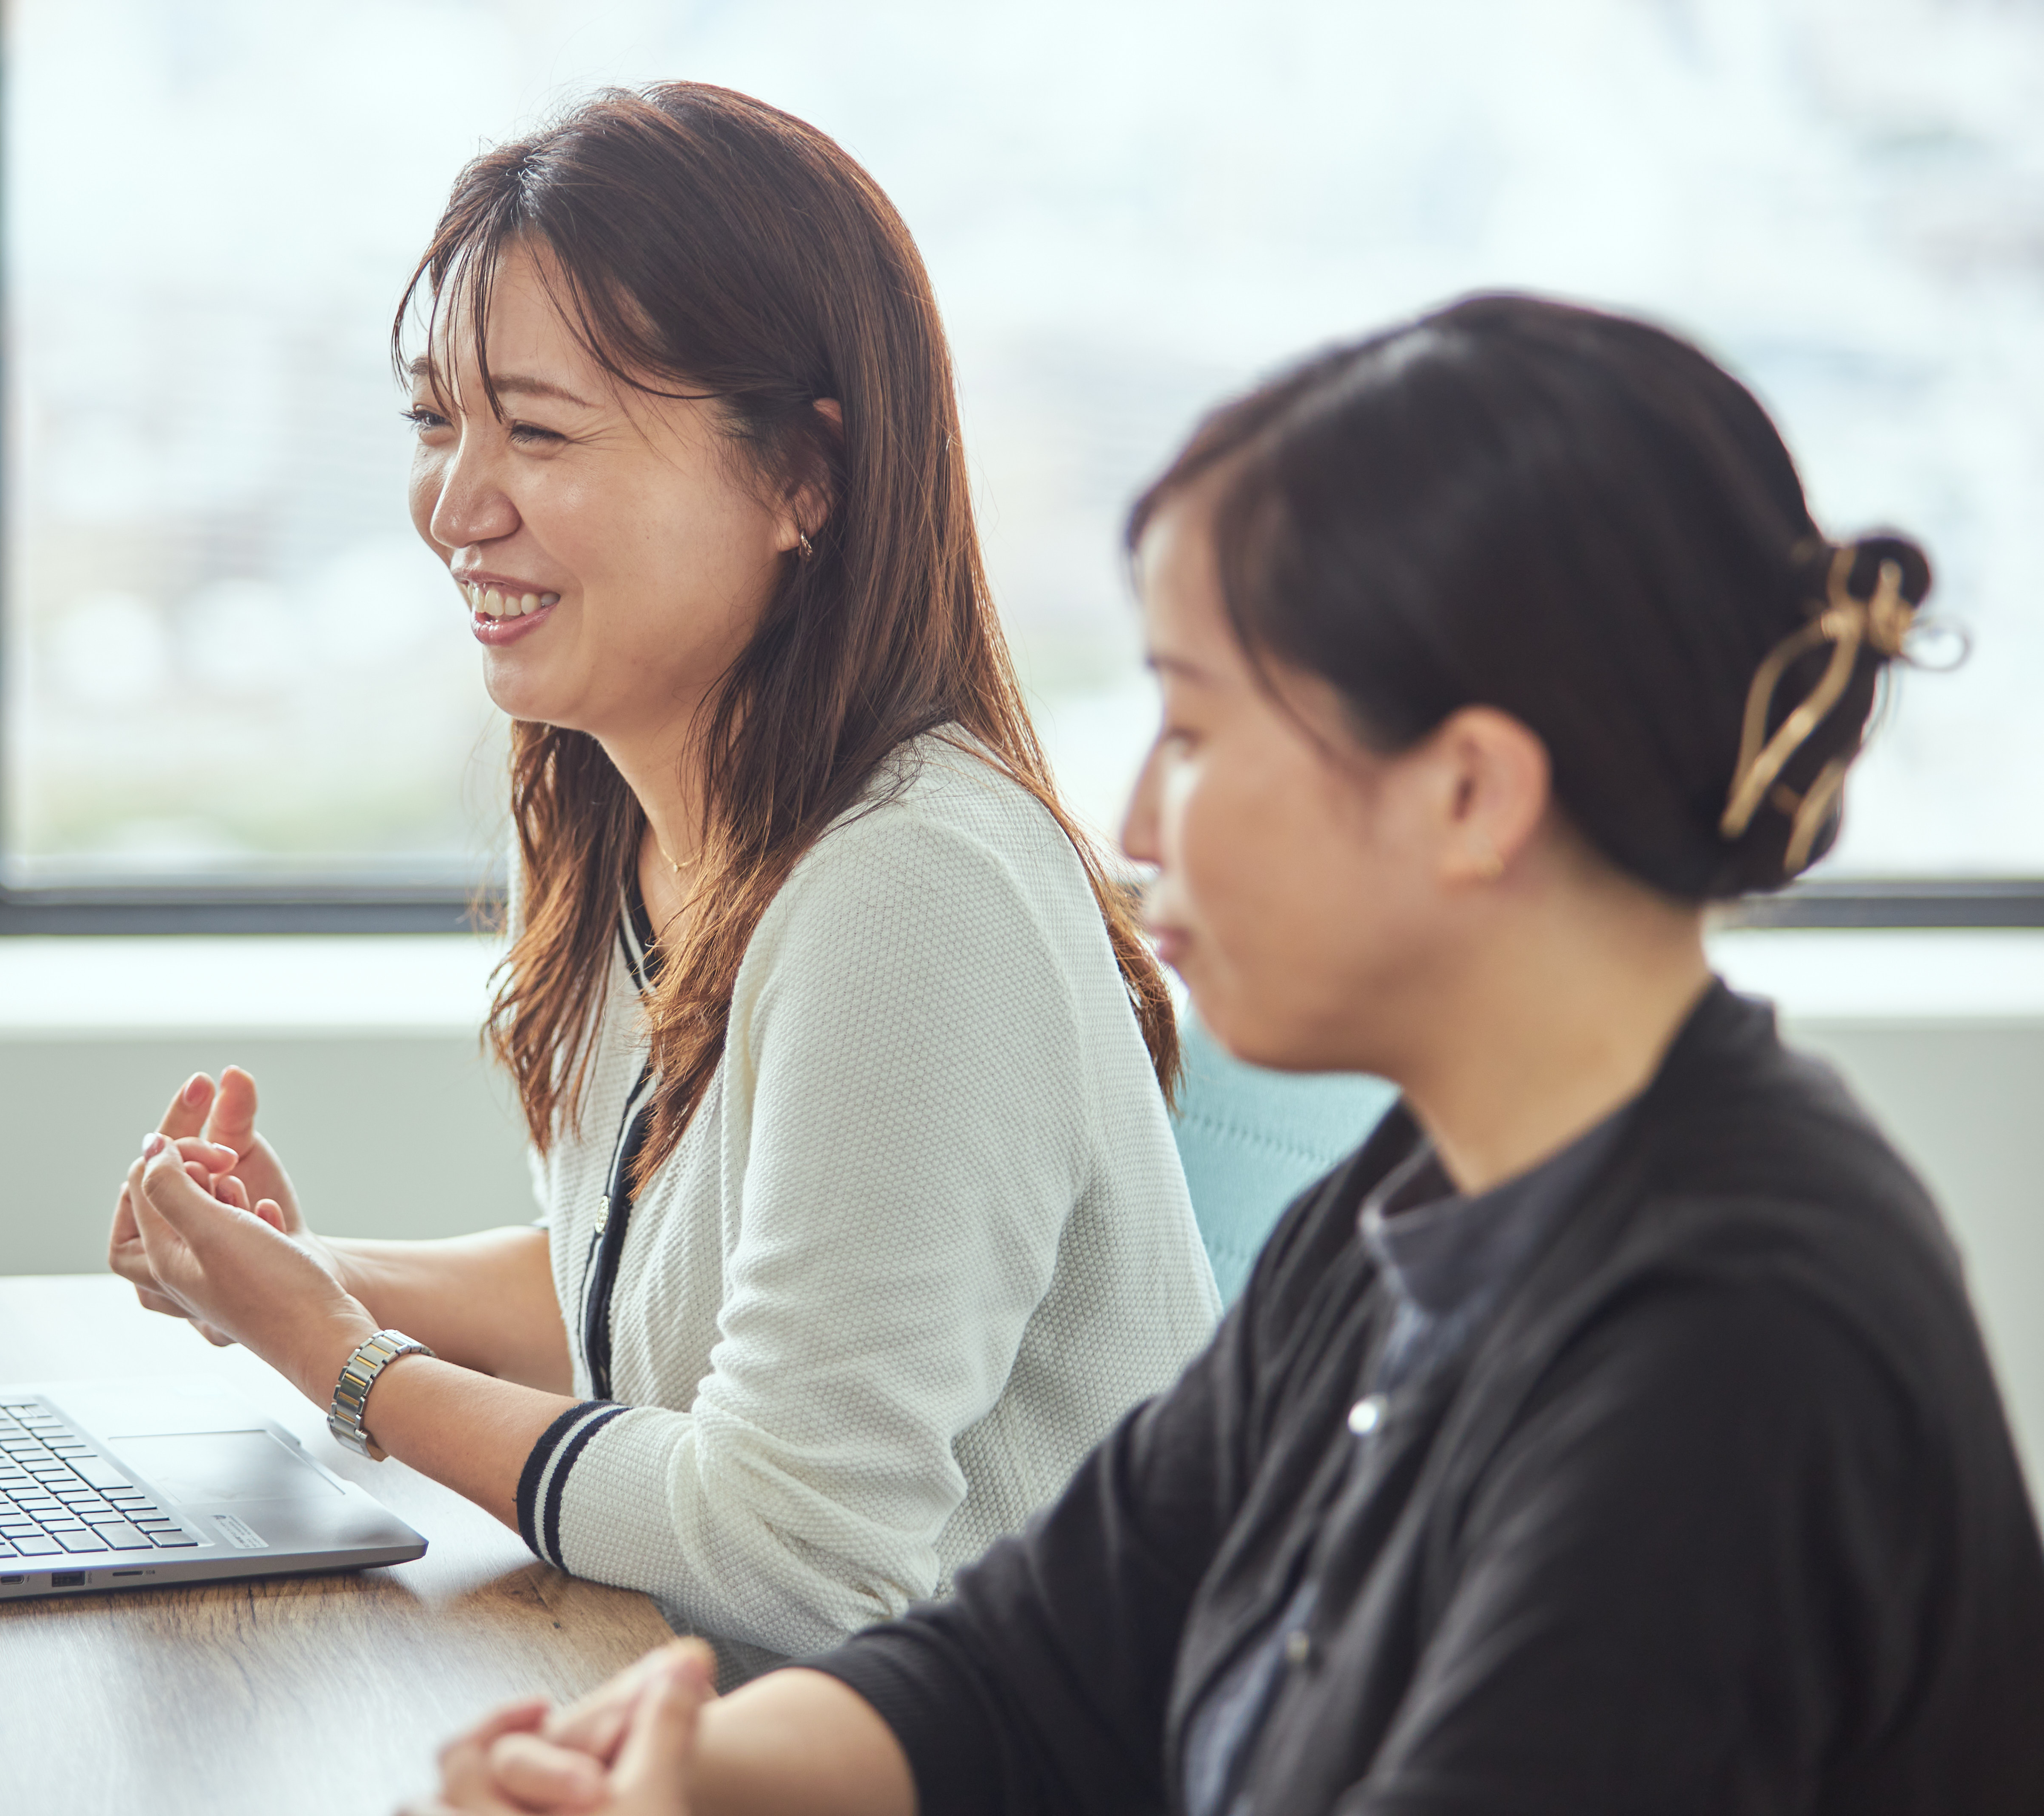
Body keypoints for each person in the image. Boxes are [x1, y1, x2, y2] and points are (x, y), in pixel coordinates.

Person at [416, 294, 2044, 1813]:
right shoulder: (1415, 1208)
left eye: (1195, 734)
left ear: (1470, 796)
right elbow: (1037, 1658)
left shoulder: (1731, 1351)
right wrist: (699, 1767)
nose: (1133, 824)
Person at [105, 81, 1220, 1678]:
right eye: (438, 421)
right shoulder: (628, 817)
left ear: (802, 479)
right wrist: (292, 1277)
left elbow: (795, 1554)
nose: (453, 505)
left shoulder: (917, 892)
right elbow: (669, 1310)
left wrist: (347, 1364)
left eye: (539, 431)